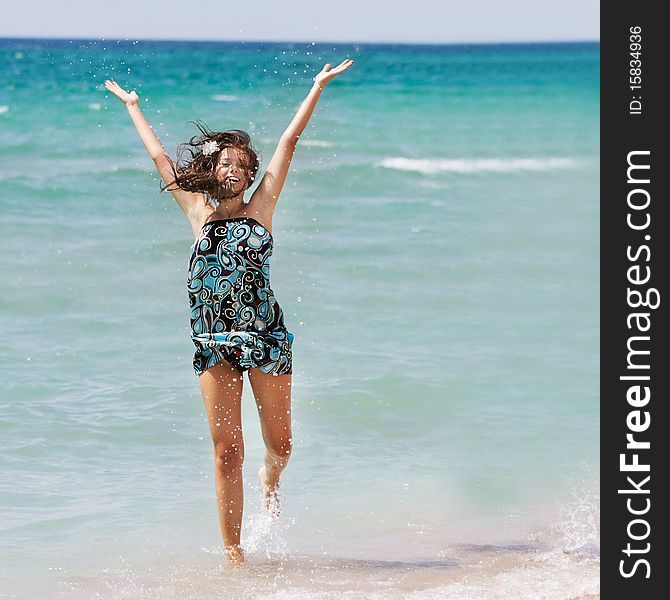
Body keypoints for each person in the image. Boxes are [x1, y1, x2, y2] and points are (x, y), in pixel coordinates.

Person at [104, 58, 354, 565]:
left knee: (280, 445)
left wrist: (317, 88)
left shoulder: (262, 209)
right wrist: (134, 107)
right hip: (214, 344)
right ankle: (234, 555)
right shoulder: (197, 212)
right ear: (214, 170)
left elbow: (287, 144)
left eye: (243, 165)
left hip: (266, 339)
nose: (235, 170)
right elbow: (159, 159)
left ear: (250, 173)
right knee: (226, 451)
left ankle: (272, 476)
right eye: (227, 164)